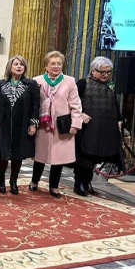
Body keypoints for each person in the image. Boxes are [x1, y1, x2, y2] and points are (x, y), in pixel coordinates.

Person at [30, 51, 82, 198]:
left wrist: (75, 124)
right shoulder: (37, 80)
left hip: (62, 126)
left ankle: (54, 186)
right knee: (40, 156)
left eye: (59, 63)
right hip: (42, 124)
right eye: (53, 63)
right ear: (46, 65)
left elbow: (76, 105)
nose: (56, 66)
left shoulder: (70, 81)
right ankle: (34, 181)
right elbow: (33, 103)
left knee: (58, 159)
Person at [73, 57, 123, 196]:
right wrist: (80, 113)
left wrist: (119, 120)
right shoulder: (83, 83)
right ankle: (79, 183)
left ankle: (87, 183)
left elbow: (115, 104)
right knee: (84, 156)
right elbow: (72, 101)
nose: (105, 75)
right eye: (102, 72)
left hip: (104, 126)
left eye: (108, 72)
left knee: (96, 156)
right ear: (93, 71)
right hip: (87, 126)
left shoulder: (111, 85)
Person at [0, 55, 39, 195]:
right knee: (2, 154)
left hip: (22, 124)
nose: (19, 66)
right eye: (16, 64)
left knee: (18, 154)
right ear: (10, 67)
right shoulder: (1, 84)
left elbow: (36, 105)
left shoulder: (31, 84)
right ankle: (1, 181)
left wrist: (33, 124)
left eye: (21, 64)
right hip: (3, 124)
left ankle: (13, 181)